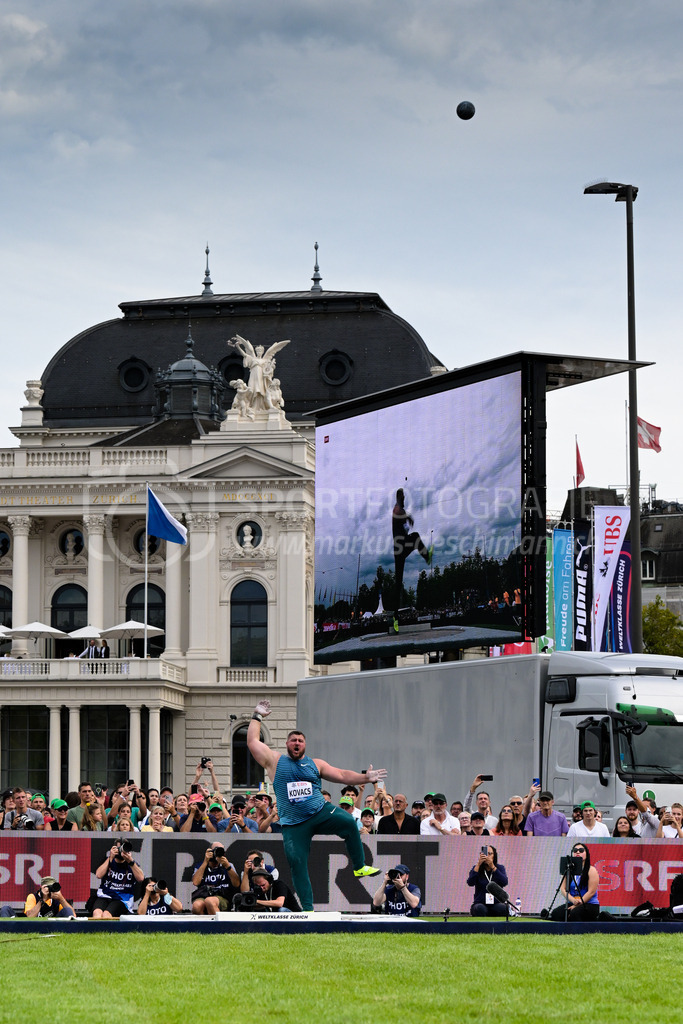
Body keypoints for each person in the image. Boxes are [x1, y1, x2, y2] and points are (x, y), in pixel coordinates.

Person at [246, 698, 384, 911]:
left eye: (300, 740)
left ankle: (359, 867)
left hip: (320, 811)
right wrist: (256, 716)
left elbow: (341, 775)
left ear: (305, 744)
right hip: (293, 824)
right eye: (293, 740)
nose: (297, 743)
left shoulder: (315, 764)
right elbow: (253, 742)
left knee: (348, 822)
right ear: (287, 744)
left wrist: (366, 777)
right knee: (297, 864)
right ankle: (308, 910)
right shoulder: (275, 761)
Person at [391, 487, 432, 630]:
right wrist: (408, 516)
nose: (403, 499)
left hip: (399, 549)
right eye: (402, 497)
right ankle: (426, 556)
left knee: (398, 583)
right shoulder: (397, 508)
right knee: (415, 537)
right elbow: (397, 512)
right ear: (399, 497)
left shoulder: (400, 510)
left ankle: (395, 618)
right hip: (400, 546)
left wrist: (406, 520)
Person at [92, 840, 145, 917]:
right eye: (118, 848)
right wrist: (110, 857)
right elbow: (98, 875)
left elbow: (141, 878)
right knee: (97, 913)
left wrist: (130, 861)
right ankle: (98, 929)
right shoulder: (108, 861)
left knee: (106, 914)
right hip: (105, 895)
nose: (120, 851)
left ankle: (107, 929)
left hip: (122, 899)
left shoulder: (132, 864)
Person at [550, 843, 600, 921]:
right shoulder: (568, 869)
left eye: (581, 850)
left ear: (586, 854)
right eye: (575, 850)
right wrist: (573, 901)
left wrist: (578, 904)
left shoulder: (591, 870)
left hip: (589, 904)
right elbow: (563, 889)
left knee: (575, 913)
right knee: (556, 913)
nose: (577, 852)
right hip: (573, 902)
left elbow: (591, 892)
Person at [191, 841, 240, 914]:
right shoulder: (201, 865)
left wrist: (227, 866)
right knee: (197, 906)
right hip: (204, 895)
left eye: (221, 850)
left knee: (210, 901)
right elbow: (195, 882)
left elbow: (236, 884)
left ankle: (219, 925)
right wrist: (205, 861)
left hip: (222, 896)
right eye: (216, 850)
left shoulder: (228, 865)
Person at [466, 845, 509, 917]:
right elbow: (470, 882)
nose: (487, 856)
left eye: (490, 854)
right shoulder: (477, 868)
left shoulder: (500, 868)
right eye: (486, 853)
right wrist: (479, 864)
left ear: (494, 856)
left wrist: (493, 867)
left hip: (496, 903)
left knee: (503, 908)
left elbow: (504, 882)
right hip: (480, 903)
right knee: (479, 908)